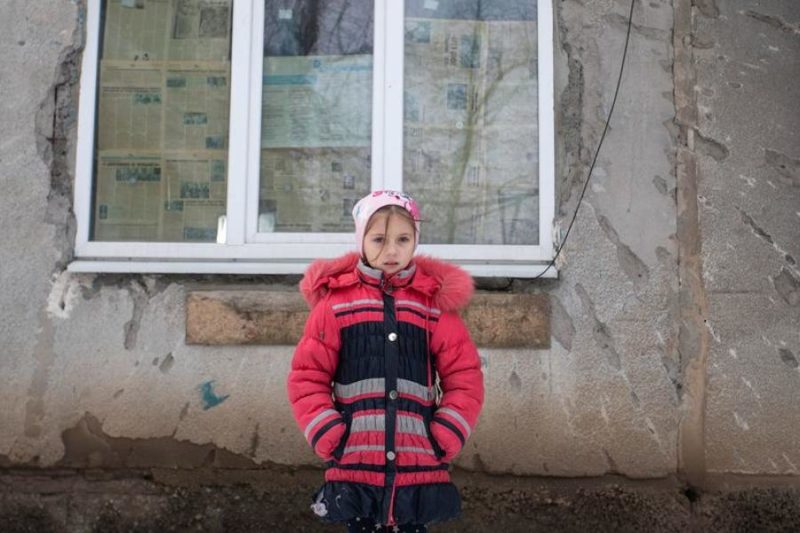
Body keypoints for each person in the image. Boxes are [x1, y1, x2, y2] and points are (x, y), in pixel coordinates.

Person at [287, 190, 484, 532]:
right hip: (356, 461)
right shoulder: (335, 306)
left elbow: (464, 376)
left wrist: (445, 433)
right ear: (361, 239)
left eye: (403, 239)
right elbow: (308, 376)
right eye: (379, 239)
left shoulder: (432, 306)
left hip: (417, 463)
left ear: (415, 241)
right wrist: (330, 433)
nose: (391, 250)